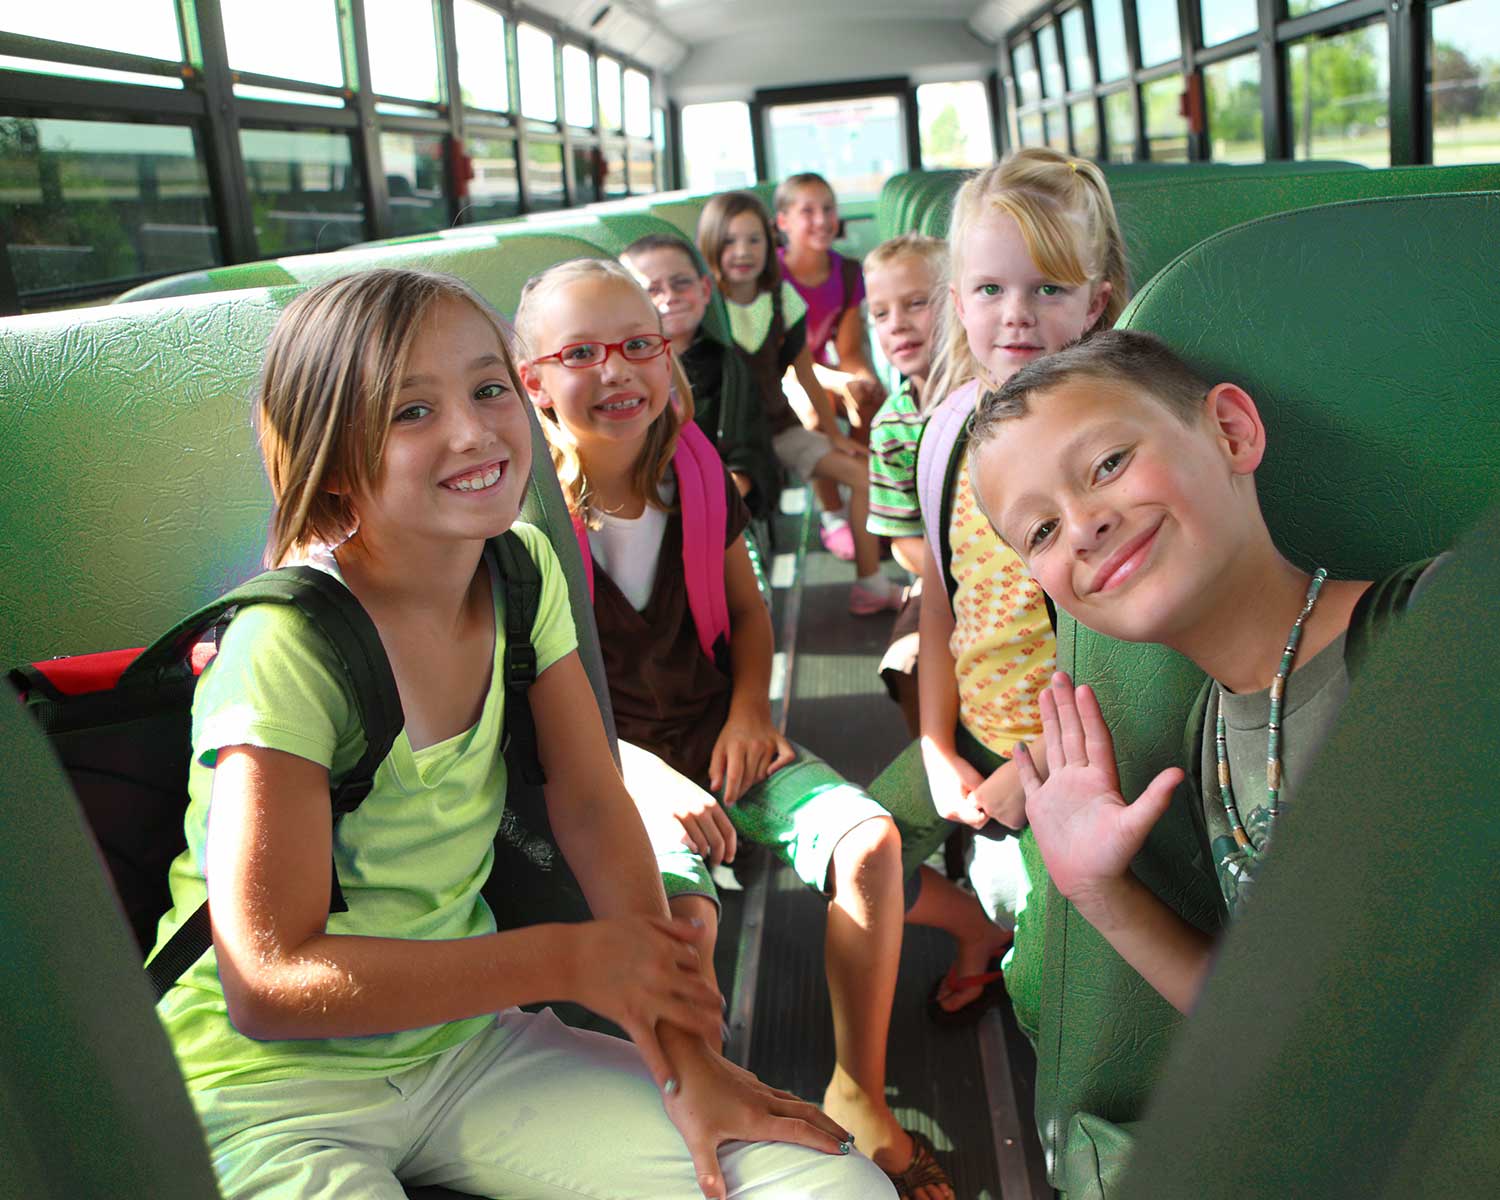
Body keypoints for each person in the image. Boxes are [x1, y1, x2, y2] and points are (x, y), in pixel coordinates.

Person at [147, 267, 891, 1200]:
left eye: (488, 388)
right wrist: (568, 961)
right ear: (333, 455)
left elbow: (588, 800)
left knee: (830, 1185)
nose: (473, 431)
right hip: (264, 1094)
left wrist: (686, 1058)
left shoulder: (520, 571)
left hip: (466, 1049)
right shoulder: (286, 646)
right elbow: (267, 981)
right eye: (411, 412)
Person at [515, 257, 1006, 1200]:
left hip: (714, 730)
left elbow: (746, 617)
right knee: (684, 916)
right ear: (534, 379)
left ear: (669, 357)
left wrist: (748, 711)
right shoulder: (525, 521)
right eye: (580, 353)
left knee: (867, 841)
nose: (615, 372)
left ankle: (858, 1091)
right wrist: (646, 780)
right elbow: (531, 704)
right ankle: (712, 1102)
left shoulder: (694, 472)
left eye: (638, 346)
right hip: (609, 772)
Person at [966, 329, 1441, 1013]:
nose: (1081, 527)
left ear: (1230, 432)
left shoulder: (1436, 624)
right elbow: (1266, 1014)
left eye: (1107, 464)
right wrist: (1102, 892)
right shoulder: (1209, 745)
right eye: (1040, 531)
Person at [906, 149, 1128, 1019]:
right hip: (974, 729)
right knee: (870, 855)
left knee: (1049, 984)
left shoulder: (1112, 452)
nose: (1016, 317)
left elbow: (1133, 657)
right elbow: (940, 601)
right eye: (991, 290)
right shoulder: (948, 431)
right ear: (958, 299)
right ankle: (975, 931)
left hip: (1077, 751)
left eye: (1048, 290)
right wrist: (933, 744)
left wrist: (1029, 771)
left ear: (1096, 300)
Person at [697, 190, 903, 615]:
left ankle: (871, 583)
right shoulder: (704, 305)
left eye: (754, 240)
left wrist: (832, 435)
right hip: (728, 443)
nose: (743, 252)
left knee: (863, 475)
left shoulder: (782, 299)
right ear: (712, 245)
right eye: (731, 241)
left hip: (780, 429)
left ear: (770, 243)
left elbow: (805, 372)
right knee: (726, 500)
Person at [620, 232, 780, 521]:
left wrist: (707, 503)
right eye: (652, 290)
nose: (670, 296)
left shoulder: (732, 369)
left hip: (713, 508)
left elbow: (750, 460)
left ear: (706, 289)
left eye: (681, 283)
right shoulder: (618, 375)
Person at [862, 233, 947, 737]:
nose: (898, 324)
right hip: (938, 575)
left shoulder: (994, 394)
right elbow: (903, 538)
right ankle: (933, 752)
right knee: (905, 662)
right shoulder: (892, 427)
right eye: (880, 314)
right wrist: (953, 582)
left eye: (918, 303)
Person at [775, 172, 887, 536]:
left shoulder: (849, 272)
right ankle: (833, 514)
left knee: (869, 398)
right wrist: (840, 380)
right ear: (783, 222)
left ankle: (865, 498)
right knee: (812, 407)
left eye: (828, 209)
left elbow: (850, 350)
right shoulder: (770, 276)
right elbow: (784, 362)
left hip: (825, 368)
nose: (822, 220)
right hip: (784, 376)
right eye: (808, 211)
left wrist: (861, 381)